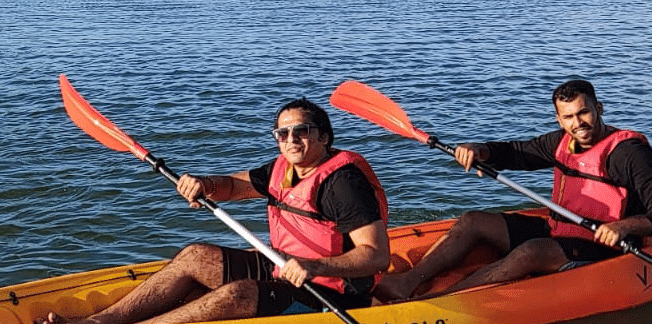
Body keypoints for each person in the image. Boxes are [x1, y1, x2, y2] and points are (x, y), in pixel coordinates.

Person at [40, 97, 390, 323]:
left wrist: (314, 266)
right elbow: (234, 186)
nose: (291, 139)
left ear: (324, 137)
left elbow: (375, 257)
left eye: (301, 131)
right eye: (282, 133)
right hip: (283, 266)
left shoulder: (343, 184)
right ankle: (97, 323)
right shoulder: (283, 169)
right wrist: (203, 185)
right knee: (194, 256)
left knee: (236, 295)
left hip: (332, 291)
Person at [374, 79, 652, 302]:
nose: (579, 123)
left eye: (584, 113)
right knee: (472, 220)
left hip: (605, 246)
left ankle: (438, 301)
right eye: (569, 117)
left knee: (532, 250)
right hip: (561, 229)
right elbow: (518, 152)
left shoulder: (628, 153)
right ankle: (407, 283)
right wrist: (480, 150)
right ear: (559, 119)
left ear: (598, 108)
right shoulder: (561, 142)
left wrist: (623, 226)